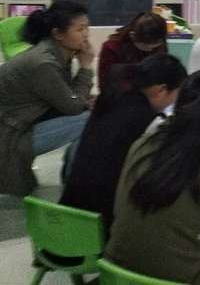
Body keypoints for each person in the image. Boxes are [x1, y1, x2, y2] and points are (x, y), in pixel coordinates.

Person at [106, 70, 200, 285]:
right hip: (179, 278)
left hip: (116, 270)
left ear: (177, 103)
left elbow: (119, 208)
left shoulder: (142, 143)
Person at [60, 54, 186, 231]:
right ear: (161, 90)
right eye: (177, 94)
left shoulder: (112, 98)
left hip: (70, 211)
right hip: (104, 222)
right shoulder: (146, 121)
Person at [0, 1, 94, 196]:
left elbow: (67, 96)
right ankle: (74, 187)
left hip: (22, 124)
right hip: (10, 136)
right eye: (80, 29)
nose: (86, 34)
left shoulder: (56, 53)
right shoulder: (43, 63)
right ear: (58, 34)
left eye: (87, 27)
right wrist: (85, 67)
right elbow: (72, 106)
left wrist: (83, 100)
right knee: (90, 120)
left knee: (90, 114)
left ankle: (73, 179)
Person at [98, 12, 167, 92]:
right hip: (120, 96)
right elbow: (105, 86)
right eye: (145, 47)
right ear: (133, 36)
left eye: (155, 47)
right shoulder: (111, 48)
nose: (150, 50)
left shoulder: (159, 46)